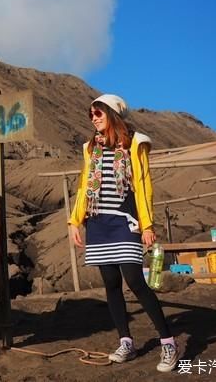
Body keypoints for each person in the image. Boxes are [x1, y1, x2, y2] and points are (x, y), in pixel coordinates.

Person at [68, 94, 179, 373]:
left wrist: (148, 225)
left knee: (134, 280)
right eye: (90, 114)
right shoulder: (90, 147)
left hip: (125, 221)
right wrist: (74, 221)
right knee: (110, 282)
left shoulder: (134, 143)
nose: (93, 117)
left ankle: (168, 342)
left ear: (112, 113)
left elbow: (143, 185)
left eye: (98, 113)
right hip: (97, 223)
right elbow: (84, 186)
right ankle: (126, 341)